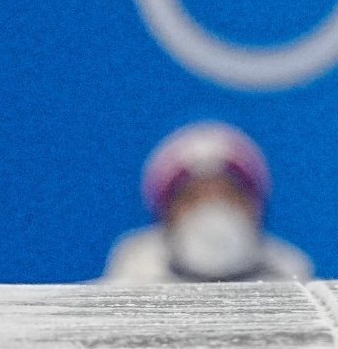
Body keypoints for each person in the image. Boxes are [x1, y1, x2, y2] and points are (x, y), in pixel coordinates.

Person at [101, 121, 312, 283]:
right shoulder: (129, 279)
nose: (213, 210)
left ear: (256, 208)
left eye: (229, 195)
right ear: (165, 214)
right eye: (193, 198)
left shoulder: (294, 275)